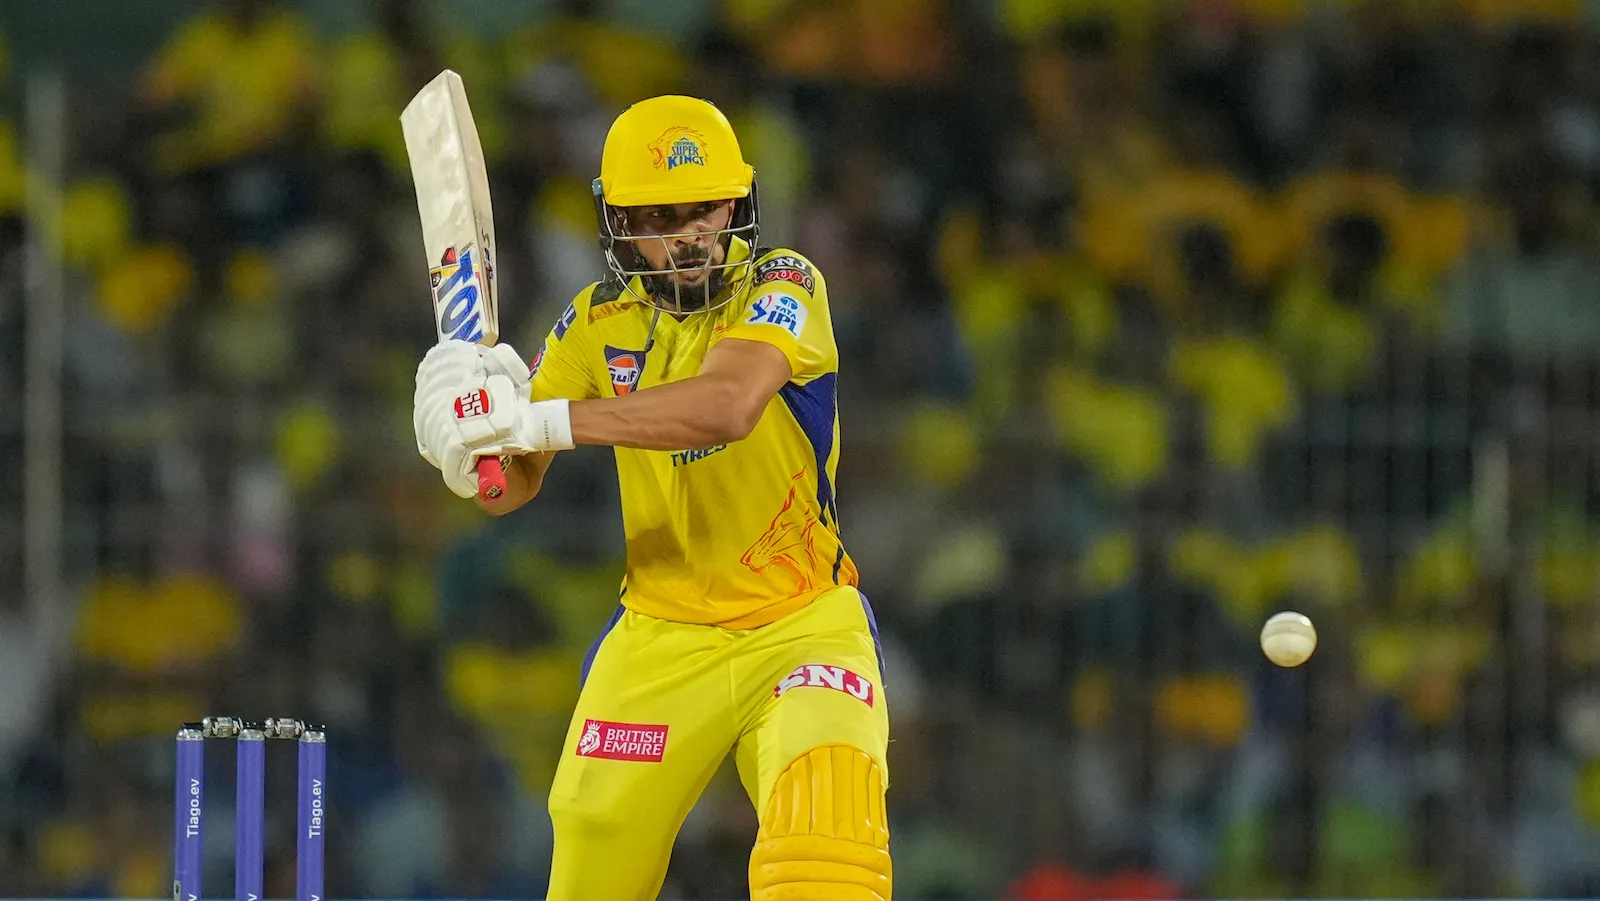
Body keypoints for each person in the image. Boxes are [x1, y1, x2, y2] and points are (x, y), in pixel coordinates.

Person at [412, 95, 892, 901]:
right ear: (618, 225)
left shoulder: (787, 282)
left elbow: (726, 406)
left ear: (738, 204)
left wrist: (539, 416)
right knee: (593, 851)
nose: (693, 233)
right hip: (661, 638)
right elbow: (514, 482)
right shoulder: (593, 324)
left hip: (802, 626)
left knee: (825, 846)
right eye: (660, 215)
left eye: (706, 209)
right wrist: (470, 441)